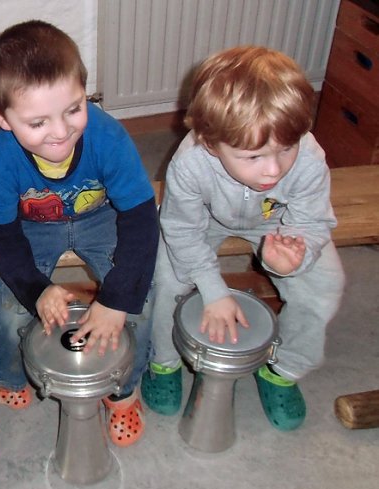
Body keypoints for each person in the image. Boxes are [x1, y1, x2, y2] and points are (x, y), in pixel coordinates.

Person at [142, 46, 344, 430]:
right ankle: (163, 361)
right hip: (203, 219)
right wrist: (213, 290)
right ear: (210, 142)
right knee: (166, 278)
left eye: (286, 149)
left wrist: (294, 256)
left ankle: (282, 370)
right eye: (253, 157)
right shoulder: (190, 161)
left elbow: (313, 221)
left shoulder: (308, 159)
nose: (273, 170)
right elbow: (181, 229)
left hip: (277, 222)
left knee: (324, 284)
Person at [0, 20, 159, 447]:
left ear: (84, 91)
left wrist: (117, 300)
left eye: (74, 109)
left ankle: (123, 389)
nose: (60, 132)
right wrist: (36, 290)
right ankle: (8, 374)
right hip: (32, 228)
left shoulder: (108, 137)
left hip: (101, 217)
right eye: (37, 122)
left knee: (143, 301)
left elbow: (141, 219)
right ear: (1, 117)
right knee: (9, 309)